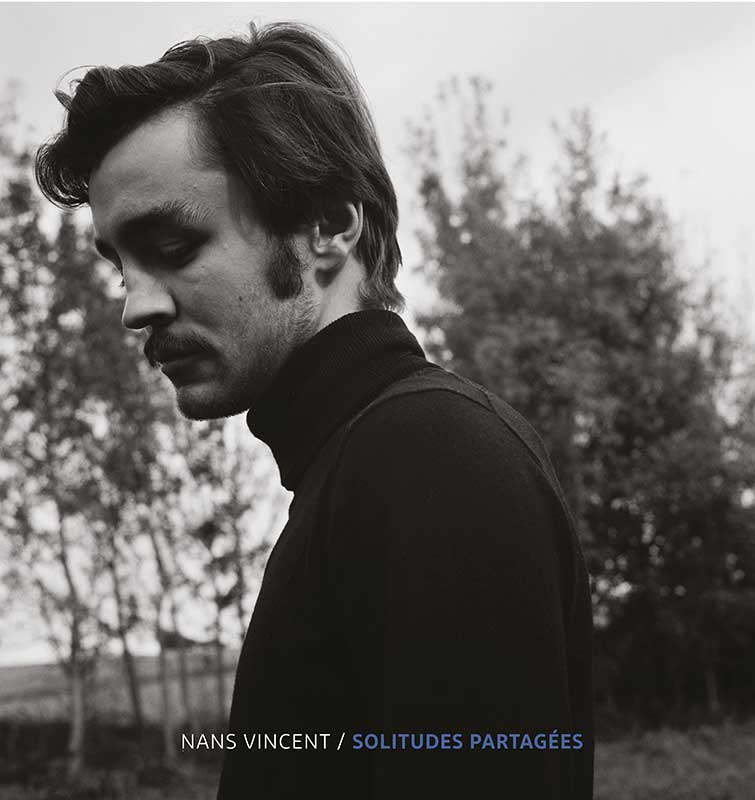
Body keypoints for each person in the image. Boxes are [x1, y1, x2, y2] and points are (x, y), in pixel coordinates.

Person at [35, 22, 594, 799]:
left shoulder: (429, 458)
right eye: (122, 269)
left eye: (171, 247)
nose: (136, 307)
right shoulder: (360, 464)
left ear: (328, 225)